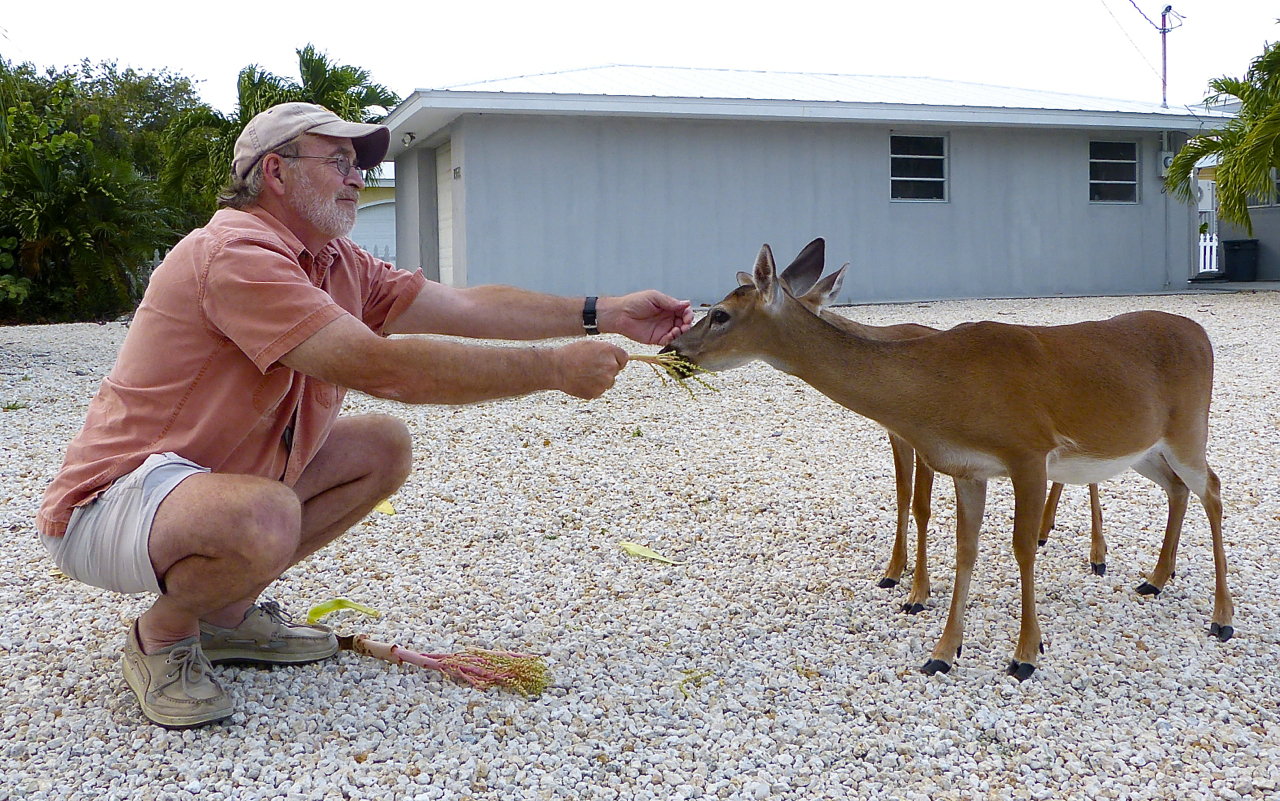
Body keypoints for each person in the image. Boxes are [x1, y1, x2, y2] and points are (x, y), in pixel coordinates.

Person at [36, 102, 693, 729]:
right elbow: (383, 369)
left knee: (381, 446)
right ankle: (163, 636)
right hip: (111, 506)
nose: (357, 178)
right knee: (267, 514)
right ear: (275, 172)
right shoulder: (235, 254)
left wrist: (604, 311)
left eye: (359, 165)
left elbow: (464, 307)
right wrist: (552, 370)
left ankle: (223, 616)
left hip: (203, 496)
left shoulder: (336, 262)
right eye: (339, 162)